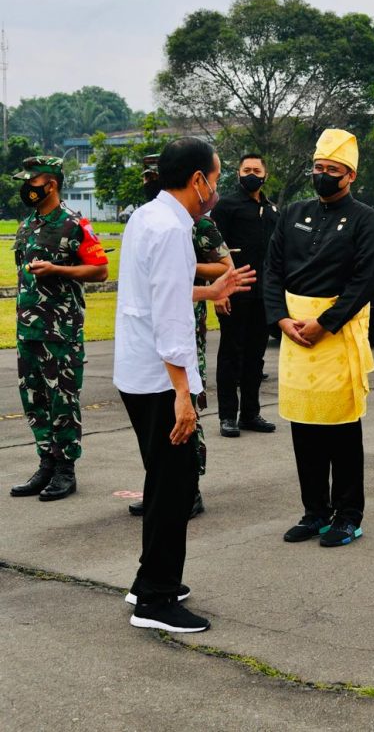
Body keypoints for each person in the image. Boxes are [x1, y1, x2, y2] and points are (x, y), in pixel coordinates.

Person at [114, 137, 255, 633]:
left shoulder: (145, 217)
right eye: (214, 179)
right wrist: (182, 394)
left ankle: (149, 581)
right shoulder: (174, 229)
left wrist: (209, 290)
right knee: (175, 488)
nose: (216, 189)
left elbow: (162, 291)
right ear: (197, 180)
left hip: (138, 373)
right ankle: (155, 601)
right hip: (161, 380)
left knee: (162, 482)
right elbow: (171, 318)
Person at [264, 129, 374, 547]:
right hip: (295, 334)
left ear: (350, 175)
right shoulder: (292, 212)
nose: (323, 175)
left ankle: (348, 516)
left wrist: (326, 322)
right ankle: (315, 511)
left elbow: (365, 280)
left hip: (336, 333)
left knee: (341, 429)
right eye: (318, 167)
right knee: (304, 426)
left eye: (333, 169)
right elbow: (272, 270)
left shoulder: (365, 219)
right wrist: (281, 319)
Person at [128, 155, 233, 518]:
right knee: (163, 424)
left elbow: (224, 266)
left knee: (184, 413)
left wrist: (185, 265)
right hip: (157, 339)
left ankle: (189, 487)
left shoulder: (193, 223)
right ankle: (166, 486)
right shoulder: (152, 220)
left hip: (181, 330)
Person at [10, 156, 108, 501]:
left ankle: (66, 470)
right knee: (34, 399)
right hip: (28, 330)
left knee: (62, 400)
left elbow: (100, 270)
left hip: (60, 330)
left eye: (32, 181)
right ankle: (46, 463)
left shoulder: (74, 224)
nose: (27, 187)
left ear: (50, 184)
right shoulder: (28, 225)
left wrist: (58, 270)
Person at [211, 154, 279, 437]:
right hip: (233, 292)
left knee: (255, 357)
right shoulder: (226, 206)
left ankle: (250, 413)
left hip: (263, 296)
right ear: (238, 173)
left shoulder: (271, 209)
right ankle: (227, 415)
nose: (251, 174)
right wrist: (218, 291)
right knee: (231, 355)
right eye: (246, 169)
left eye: (256, 170)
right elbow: (212, 250)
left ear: (265, 175)